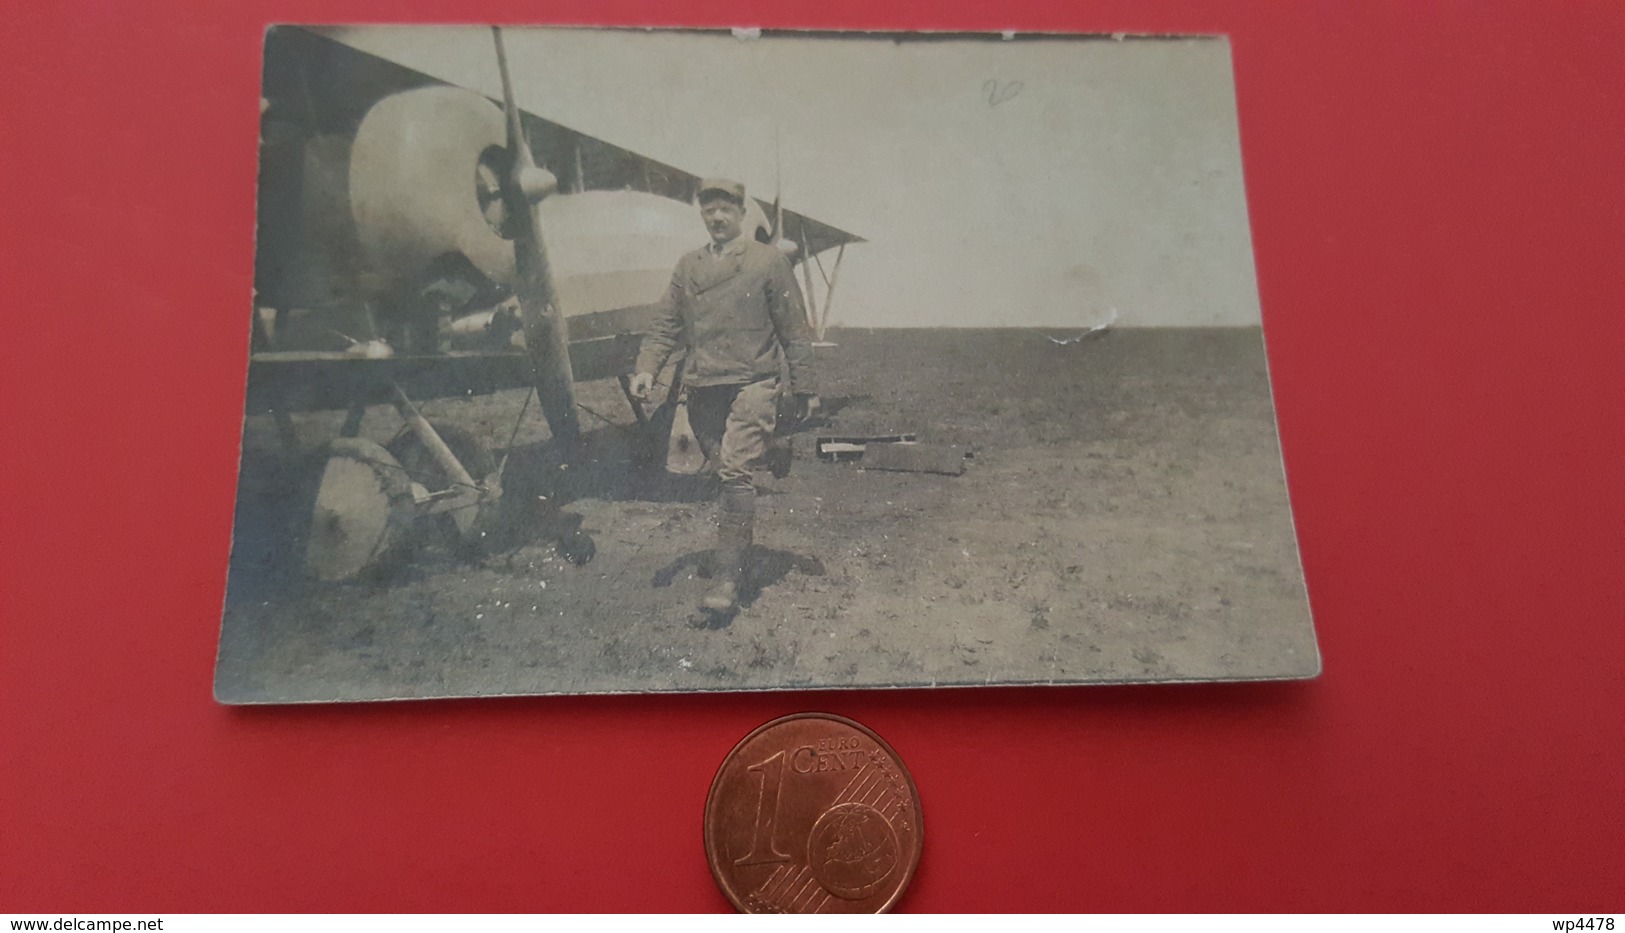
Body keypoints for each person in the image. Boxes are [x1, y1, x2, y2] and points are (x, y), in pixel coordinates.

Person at [629, 178, 820, 616]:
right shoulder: (688, 265)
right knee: (724, 469)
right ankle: (771, 444)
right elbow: (665, 325)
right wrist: (646, 369)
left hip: (753, 381)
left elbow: (794, 327)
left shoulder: (767, 261)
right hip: (703, 387)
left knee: (734, 473)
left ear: (741, 214)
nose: (716, 217)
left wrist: (805, 386)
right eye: (709, 209)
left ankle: (728, 581)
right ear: (702, 214)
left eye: (725, 210)